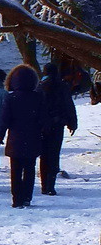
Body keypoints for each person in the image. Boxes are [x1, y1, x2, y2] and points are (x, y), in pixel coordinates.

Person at [0, 65, 43, 208]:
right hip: (32, 137)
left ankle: (16, 198)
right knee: (30, 169)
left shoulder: (11, 98)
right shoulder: (38, 97)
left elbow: (5, 119)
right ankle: (27, 197)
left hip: (15, 138)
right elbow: (43, 118)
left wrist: (0, 134)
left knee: (16, 170)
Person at [37, 62, 78, 196]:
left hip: (43, 126)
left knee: (44, 155)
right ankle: (50, 185)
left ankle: (44, 185)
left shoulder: (40, 86)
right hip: (58, 124)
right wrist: (72, 123)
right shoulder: (62, 86)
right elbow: (69, 105)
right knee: (54, 154)